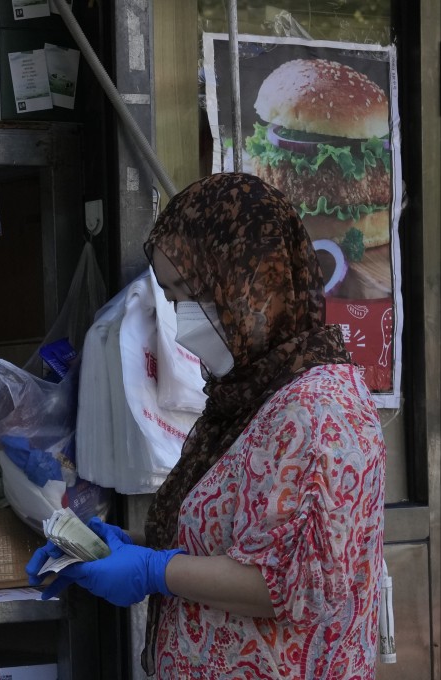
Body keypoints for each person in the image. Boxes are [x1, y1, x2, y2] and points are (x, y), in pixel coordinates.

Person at [27, 173, 387, 678]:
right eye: (170, 296)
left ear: (250, 282)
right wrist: (129, 547)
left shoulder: (316, 409)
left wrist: (155, 571)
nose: (180, 316)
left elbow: (290, 583)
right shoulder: (251, 396)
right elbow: (240, 538)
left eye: (189, 292)